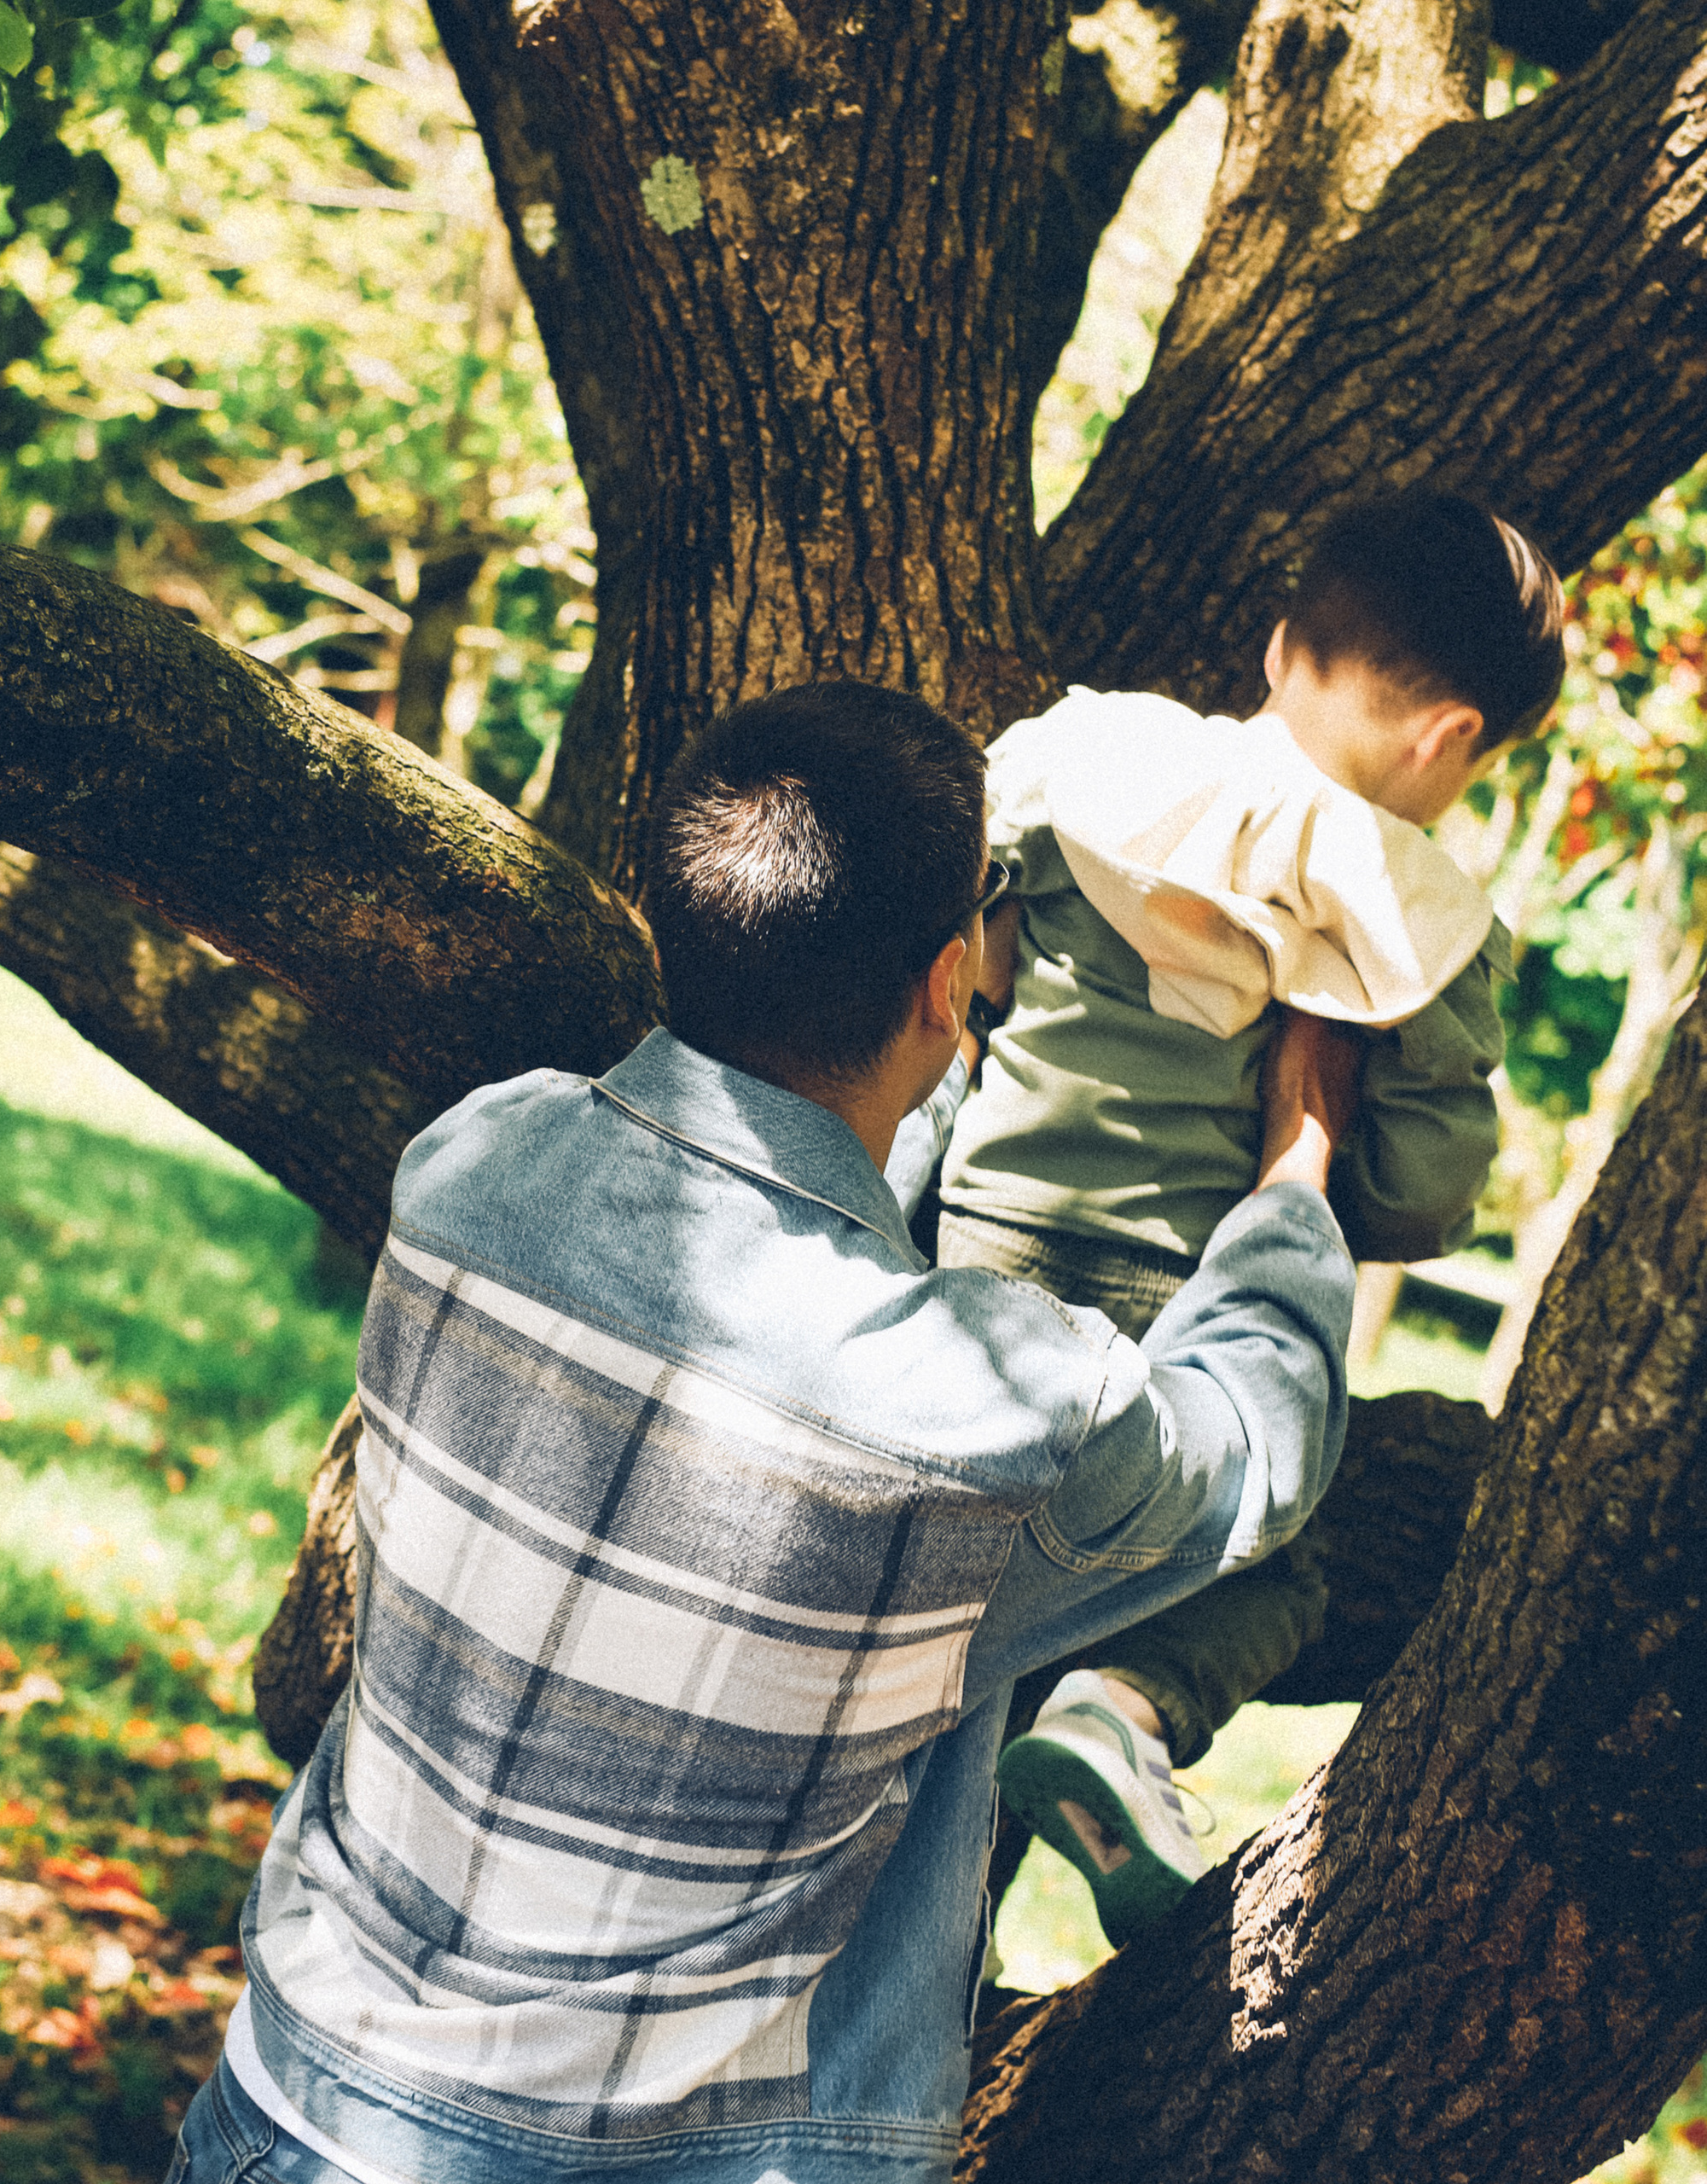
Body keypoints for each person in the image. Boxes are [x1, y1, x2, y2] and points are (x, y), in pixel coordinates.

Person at [169, 680, 1362, 2184]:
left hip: (295, 2112)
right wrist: (1301, 1154)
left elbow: (795, 1202)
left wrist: (938, 1073)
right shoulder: (983, 1424)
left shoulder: (471, 1167)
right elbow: (1255, 1436)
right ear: (949, 981)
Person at [942, 492, 1566, 1946]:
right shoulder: (1422, 918)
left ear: (1285, 645)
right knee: (1274, 1573)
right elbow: (1418, 1195)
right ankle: (1123, 1708)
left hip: (983, 1250)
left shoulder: (1086, 756)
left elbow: (959, 925)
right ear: (1449, 739)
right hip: (1190, 1317)